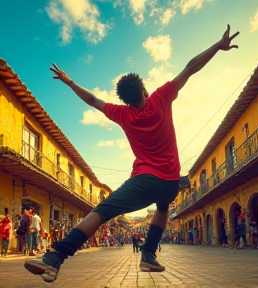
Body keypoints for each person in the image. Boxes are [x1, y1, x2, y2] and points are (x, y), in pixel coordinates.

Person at [24, 24, 239, 283]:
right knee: (163, 206)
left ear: (125, 100)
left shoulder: (122, 114)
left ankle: (55, 258)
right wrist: (217, 45)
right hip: (171, 182)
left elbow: (92, 100)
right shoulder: (161, 97)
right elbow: (191, 67)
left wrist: (70, 82)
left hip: (145, 179)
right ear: (145, 91)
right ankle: (148, 254)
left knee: (102, 211)